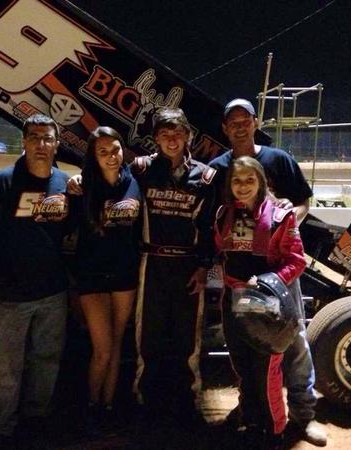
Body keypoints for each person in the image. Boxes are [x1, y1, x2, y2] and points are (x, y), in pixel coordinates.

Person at [209, 98, 327, 446]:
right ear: (225, 129)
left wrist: (283, 223)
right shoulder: (217, 167)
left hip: (278, 278)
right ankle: (251, 409)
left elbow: (303, 202)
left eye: (245, 120)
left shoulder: (279, 159)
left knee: (293, 344)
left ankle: (303, 416)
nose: (240, 126)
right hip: (239, 284)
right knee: (244, 348)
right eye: (233, 122)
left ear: (256, 122)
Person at [0, 113, 74, 445]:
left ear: (57, 144)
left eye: (48, 138)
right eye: (34, 137)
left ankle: (35, 419)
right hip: (13, 292)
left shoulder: (65, 183)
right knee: (7, 365)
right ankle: (2, 426)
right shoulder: (3, 181)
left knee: (46, 360)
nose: (41, 144)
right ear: (24, 142)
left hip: (53, 290)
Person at [131, 108, 217, 426]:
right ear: (155, 138)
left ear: (188, 137)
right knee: (147, 335)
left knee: (187, 337)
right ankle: (144, 398)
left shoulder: (206, 177)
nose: (171, 139)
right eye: (165, 134)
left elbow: (209, 227)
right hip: (151, 263)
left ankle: (189, 400)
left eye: (178, 133)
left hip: (187, 265)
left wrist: (203, 267)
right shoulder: (141, 169)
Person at [214, 156, 306, 449]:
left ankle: (275, 430)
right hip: (233, 300)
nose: (243, 186)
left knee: (266, 372)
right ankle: (252, 423)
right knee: (242, 367)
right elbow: (220, 253)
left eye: (249, 180)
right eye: (237, 180)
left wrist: (268, 281)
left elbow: (297, 261)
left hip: (267, 304)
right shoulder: (223, 214)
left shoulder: (281, 215)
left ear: (261, 181)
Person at [70, 126, 141, 431]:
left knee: (117, 343)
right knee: (103, 348)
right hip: (92, 276)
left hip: (125, 274)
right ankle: (90, 405)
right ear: (93, 156)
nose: (111, 157)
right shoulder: (82, 186)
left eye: (115, 150)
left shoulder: (135, 182)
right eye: (103, 152)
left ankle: (108, 407)